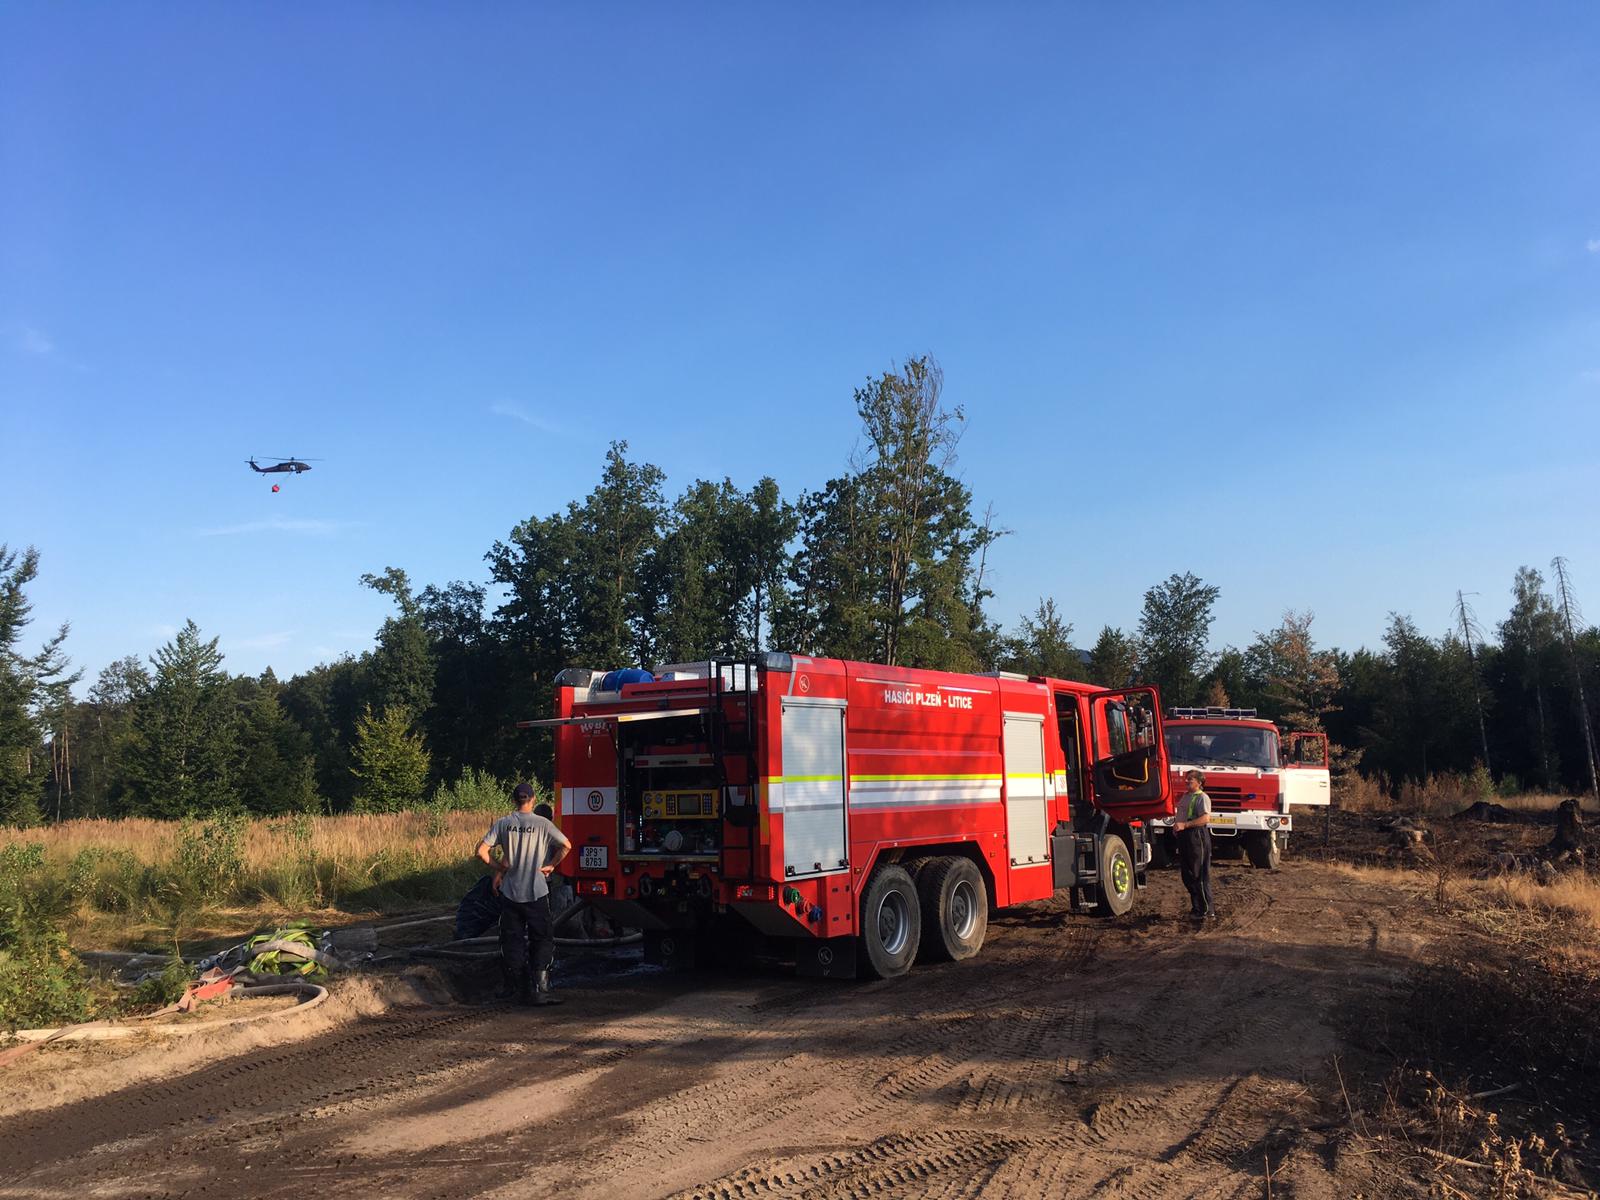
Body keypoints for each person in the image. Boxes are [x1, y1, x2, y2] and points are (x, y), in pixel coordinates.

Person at [477, 782, 572, 1005]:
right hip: (537, 892)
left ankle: (515, 988)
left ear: (514, 800)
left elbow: (480, 851)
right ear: (533, 799)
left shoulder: (504, 823)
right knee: (542, 938)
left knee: (512, 940)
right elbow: (567, 845)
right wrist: (551, 865)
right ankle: (540, 990)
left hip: (510, 893)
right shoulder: (543, 824)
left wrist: (499, 869)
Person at [1172, 769, 1215, 920]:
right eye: (1186, 778)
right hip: (1185, 837)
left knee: (1200, 874)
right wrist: (1177, 827)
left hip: (1197, 837)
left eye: (1190, 779)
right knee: (1187, 875)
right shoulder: (1185, 796)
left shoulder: (1202, 798)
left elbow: (1205, 819)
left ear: (1199, 782)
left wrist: (1186, 825)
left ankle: (1207, 910)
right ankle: (1197, 908)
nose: (1186, 781)